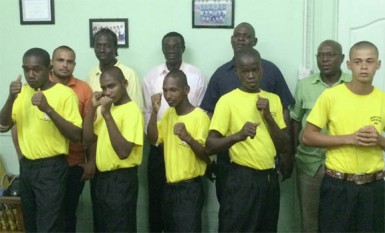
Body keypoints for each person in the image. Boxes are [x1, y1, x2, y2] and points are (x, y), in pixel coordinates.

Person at [200, 22, 294, 203]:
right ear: (237, 73)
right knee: (232, 216)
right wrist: (210, 158)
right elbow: (209, 116)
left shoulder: (271, 73)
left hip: (267, 166)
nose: (251, 76)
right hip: (230, 163)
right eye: (238, 35)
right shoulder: (221, 75)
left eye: (247, 36)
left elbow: (285, 114)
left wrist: (286, 154)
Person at [302, 41, 385, 232]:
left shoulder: (382, 99)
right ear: (349, 65)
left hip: (374, 187)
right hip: (338, 186)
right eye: (358, 61)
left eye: (369, 61)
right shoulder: (331, 96)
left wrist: (379, 140)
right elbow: (308, 137)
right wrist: (350, 138)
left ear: (378, 65)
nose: (364, 67)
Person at [205, 47, 291, 232]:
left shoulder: (273, 100)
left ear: (262, 69)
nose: (251, 75)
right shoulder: (227, 101)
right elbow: (210, 146)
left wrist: (268, 117)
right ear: (237, 72)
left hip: (269, 178)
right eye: (245, 71)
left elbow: (285, 145)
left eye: (255, 70)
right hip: (241, 178)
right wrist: (238, 135)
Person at [0, 48, 82, 232]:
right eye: (26, 69)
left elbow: (76, 135)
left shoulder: (64, 94)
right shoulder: (21, 94)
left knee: (49, 225)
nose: (30, 74)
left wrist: (48, 109)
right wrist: (11, 97)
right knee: (31, 224)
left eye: (36, 69)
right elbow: (3, 126)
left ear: (49, 68)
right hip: (27, 167)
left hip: (52, 168)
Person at [142, 31, 207, 232]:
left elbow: (206, 154)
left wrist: (187, 137)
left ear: (186, 90)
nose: (168, 95)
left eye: (174, 90)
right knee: (165, 221)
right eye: (165, 90)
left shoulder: (197, 82)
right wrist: (154, 112)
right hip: (166, 170)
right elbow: (153, 137)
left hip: (189, 182)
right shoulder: (167, 113)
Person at [289, 40, 351, 232]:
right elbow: (295, 120)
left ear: (341, 58)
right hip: (310, 164)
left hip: (344, 163)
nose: (325, 59)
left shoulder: (353, 84)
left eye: (330, 55)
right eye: (321, 55)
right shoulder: (305, 85)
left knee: (342, 217)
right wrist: (293, 153)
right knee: (309, 218)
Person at [82, 66, 143, 232]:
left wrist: (107, 115)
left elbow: (123, 152)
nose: (107, 92)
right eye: (103, 88)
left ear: (125, 83)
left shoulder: (132, 110)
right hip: (102, 179)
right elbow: (87, 139)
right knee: (103, 227)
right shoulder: (108, 109)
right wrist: (92, 109)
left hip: (121, 180)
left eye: (111, 86)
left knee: (119, 227)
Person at [50, 45, 95, 232]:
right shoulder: (37, 86)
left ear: (74, 64)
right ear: (52, 62)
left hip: (74, 163)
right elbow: (18, 125)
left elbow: (91, 128)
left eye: (69, 61)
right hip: (47, 165)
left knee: (69, 214)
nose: (65, 65)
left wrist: (91, 161)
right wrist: (22, 157)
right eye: (60, 60)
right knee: (48, 214)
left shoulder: (84, 89)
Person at [87, 28, 143, 110]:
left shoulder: (129, 74)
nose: (102, 50)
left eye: (107, 46)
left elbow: (136, 108)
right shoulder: (91, 75)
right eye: (98, 46)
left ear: (115, 48)